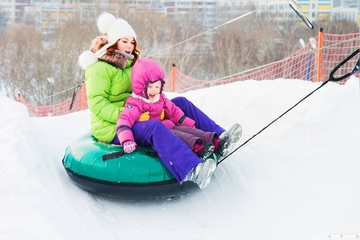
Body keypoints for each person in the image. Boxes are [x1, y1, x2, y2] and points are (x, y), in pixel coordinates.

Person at [78, 12, 241, 189]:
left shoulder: (130, 63)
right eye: (124, 41)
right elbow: (97, 104)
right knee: (154, 127)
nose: (129, 46)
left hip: (139, 110)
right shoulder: (98, 68)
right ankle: (192, 170)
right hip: (113, 125)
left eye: (132, 42)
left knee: (180, 102)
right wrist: (130, 114)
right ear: (113, 42)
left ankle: (221, 138)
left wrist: (155, 100)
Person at [116, 58, 229, 161]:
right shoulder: (135, 103)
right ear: (140, 86)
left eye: (157, 87)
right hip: (159, 133)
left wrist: (189, 124)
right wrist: (127, 140)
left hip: (169, 125)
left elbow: (174, 111)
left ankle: (217, 143)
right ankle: (199, 149)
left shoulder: (161, 98)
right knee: (182, 136)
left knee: (191, 131)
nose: (154, 91)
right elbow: (124, 121)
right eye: (149, 87)